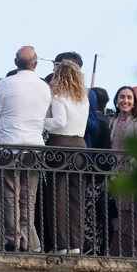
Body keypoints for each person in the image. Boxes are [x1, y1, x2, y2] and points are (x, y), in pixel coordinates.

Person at [0, 46, 51, 252]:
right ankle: (25, 239)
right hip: (34, 146)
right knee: (28, 196)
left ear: (15, 62)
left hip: (9, 144)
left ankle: (12, 238)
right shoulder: (43, 87)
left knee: (10, 195)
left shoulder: (5, 84)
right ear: (35, 63)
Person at [42, 57, 89, 254]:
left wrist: (41, 121)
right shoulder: (83, 98)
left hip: (60, 146)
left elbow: (59, 122)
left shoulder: (59, 96)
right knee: (76, 199)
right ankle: (76, 245)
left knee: (57, 198)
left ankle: (61, 244)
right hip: (80, 146)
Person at [107, 86, 137, 257]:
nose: (125, 100)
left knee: (129, 211)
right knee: (118, 213)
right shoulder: (111, 121)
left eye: (129, 98)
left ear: (134, 102)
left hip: (130, 175)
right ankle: (121, 249)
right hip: (112, 174)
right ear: (117, 100)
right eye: (122, 97)